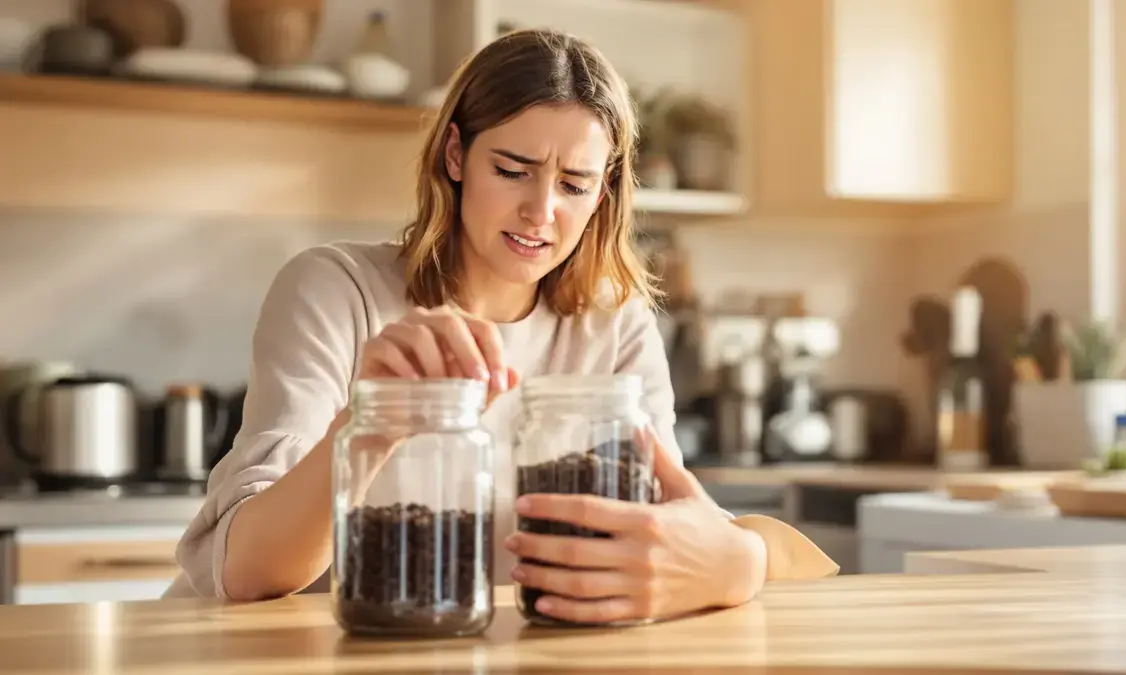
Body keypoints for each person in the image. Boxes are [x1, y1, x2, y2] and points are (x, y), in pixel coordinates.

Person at [165, 27, 836, 624]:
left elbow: (690, 533)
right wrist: (374, 421)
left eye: (574, 184)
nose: (540, 210)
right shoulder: (336, 291)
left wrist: (739, 561)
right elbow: (245, 573)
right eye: (512, 170)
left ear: (603, 193)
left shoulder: (613, 325)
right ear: (456, 155)